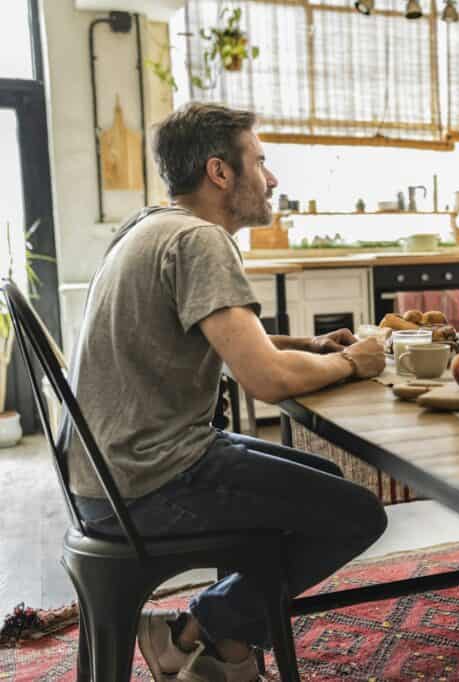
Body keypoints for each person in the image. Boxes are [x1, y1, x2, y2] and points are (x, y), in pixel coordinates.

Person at [64, 102, 388, 682]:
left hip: (108, 476)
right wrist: (351, 361)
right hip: (149, 482)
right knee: (357, 514)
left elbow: (223, 338)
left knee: (330, 488)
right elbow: (265, 379)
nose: (272, 177)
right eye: (260, 161)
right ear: (220, 172)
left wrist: (307, 347)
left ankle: (223, 648)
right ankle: (198, 631)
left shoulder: (149, 226)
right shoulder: (200, 241)